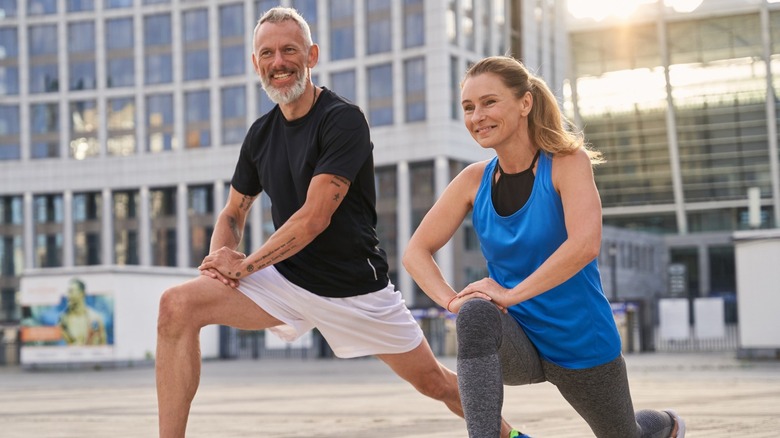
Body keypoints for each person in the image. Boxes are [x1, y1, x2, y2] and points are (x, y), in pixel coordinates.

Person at [155, 7, 516, 438]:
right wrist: (219, 254)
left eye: (289, 50)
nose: (278, 62)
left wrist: (245, 265)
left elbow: (313, 218)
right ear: (256, 64)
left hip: (355, 288)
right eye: (266, 53)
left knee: (433, 383)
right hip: (285, 282)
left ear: (311, 55)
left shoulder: (342, 119)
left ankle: (510, 435)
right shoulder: (259, 135)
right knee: (176, 306)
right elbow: (234, 211)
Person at [403, 55, 686, 438]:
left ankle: (666, 425)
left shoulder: (568, 162)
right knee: (473, 315)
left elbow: (585, 245)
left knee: (624, 434)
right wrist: (453, 302)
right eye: (468, 107)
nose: (476, 116)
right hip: (517, 338)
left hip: (578, 339)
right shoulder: (472, 180)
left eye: (489, 102)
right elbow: (415, 252)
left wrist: (509, 294)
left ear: (525, 103)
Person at [58, 278, 107, 346]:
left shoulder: (95, 318)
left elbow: (103, 345)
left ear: (82, 293)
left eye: (71, 291)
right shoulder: (62, 320)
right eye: (67, 292)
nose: (67, 295)